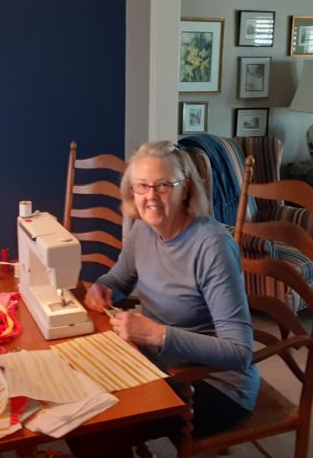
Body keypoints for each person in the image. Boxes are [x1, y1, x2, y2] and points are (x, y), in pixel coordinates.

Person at [82, 140, 259, 451]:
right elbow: (119, 279)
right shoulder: (142, 230)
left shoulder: (212, 246)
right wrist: (103, 287)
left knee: (100, 426)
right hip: (158, 363)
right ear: (132, 191)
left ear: (185, 189)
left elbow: (239, 351)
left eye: (163, 185)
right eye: (142, 186)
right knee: (84, 396)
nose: (151, 196)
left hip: (216, 383)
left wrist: (159, 335)